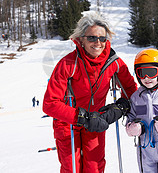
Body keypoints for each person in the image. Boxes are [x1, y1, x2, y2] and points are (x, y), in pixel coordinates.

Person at [43, 12, 137, 173]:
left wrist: (120, 107)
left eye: (102, 38)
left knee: (94, 166)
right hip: (68, 123)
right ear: (81, 39)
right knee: (72, 167)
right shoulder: (68, 64)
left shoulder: (113, 63)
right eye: (92, 38)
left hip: (96, 120)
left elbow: (131, 91)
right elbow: (50, 104)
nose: (98, 43)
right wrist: (82, 117)